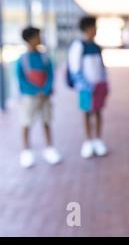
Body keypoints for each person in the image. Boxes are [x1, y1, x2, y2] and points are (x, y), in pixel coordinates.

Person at [16, 26, 61, 168]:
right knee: (26, 122)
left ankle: (49, 148)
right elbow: (21, 80)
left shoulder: (45, 57)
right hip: (30, 98)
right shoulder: (22, 60)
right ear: (29, 39)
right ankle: (26, 150)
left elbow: (51, 75)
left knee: (46, 120)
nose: (40, 39)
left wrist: (45, 90)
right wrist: (36, 91)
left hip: (45, 97)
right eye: (37, 36)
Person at [68, 16, 109, 159]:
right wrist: (86, 86)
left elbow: (102, 68)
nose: (95, 30)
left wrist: (105, 83)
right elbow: (75, 69)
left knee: (98, 112)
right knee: (86, 112)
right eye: (93, 27)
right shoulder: (79, 46)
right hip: (85, 88)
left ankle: (98, 140)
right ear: (86, 28)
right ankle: (88, 141)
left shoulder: (96, 47)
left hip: (99, 85)